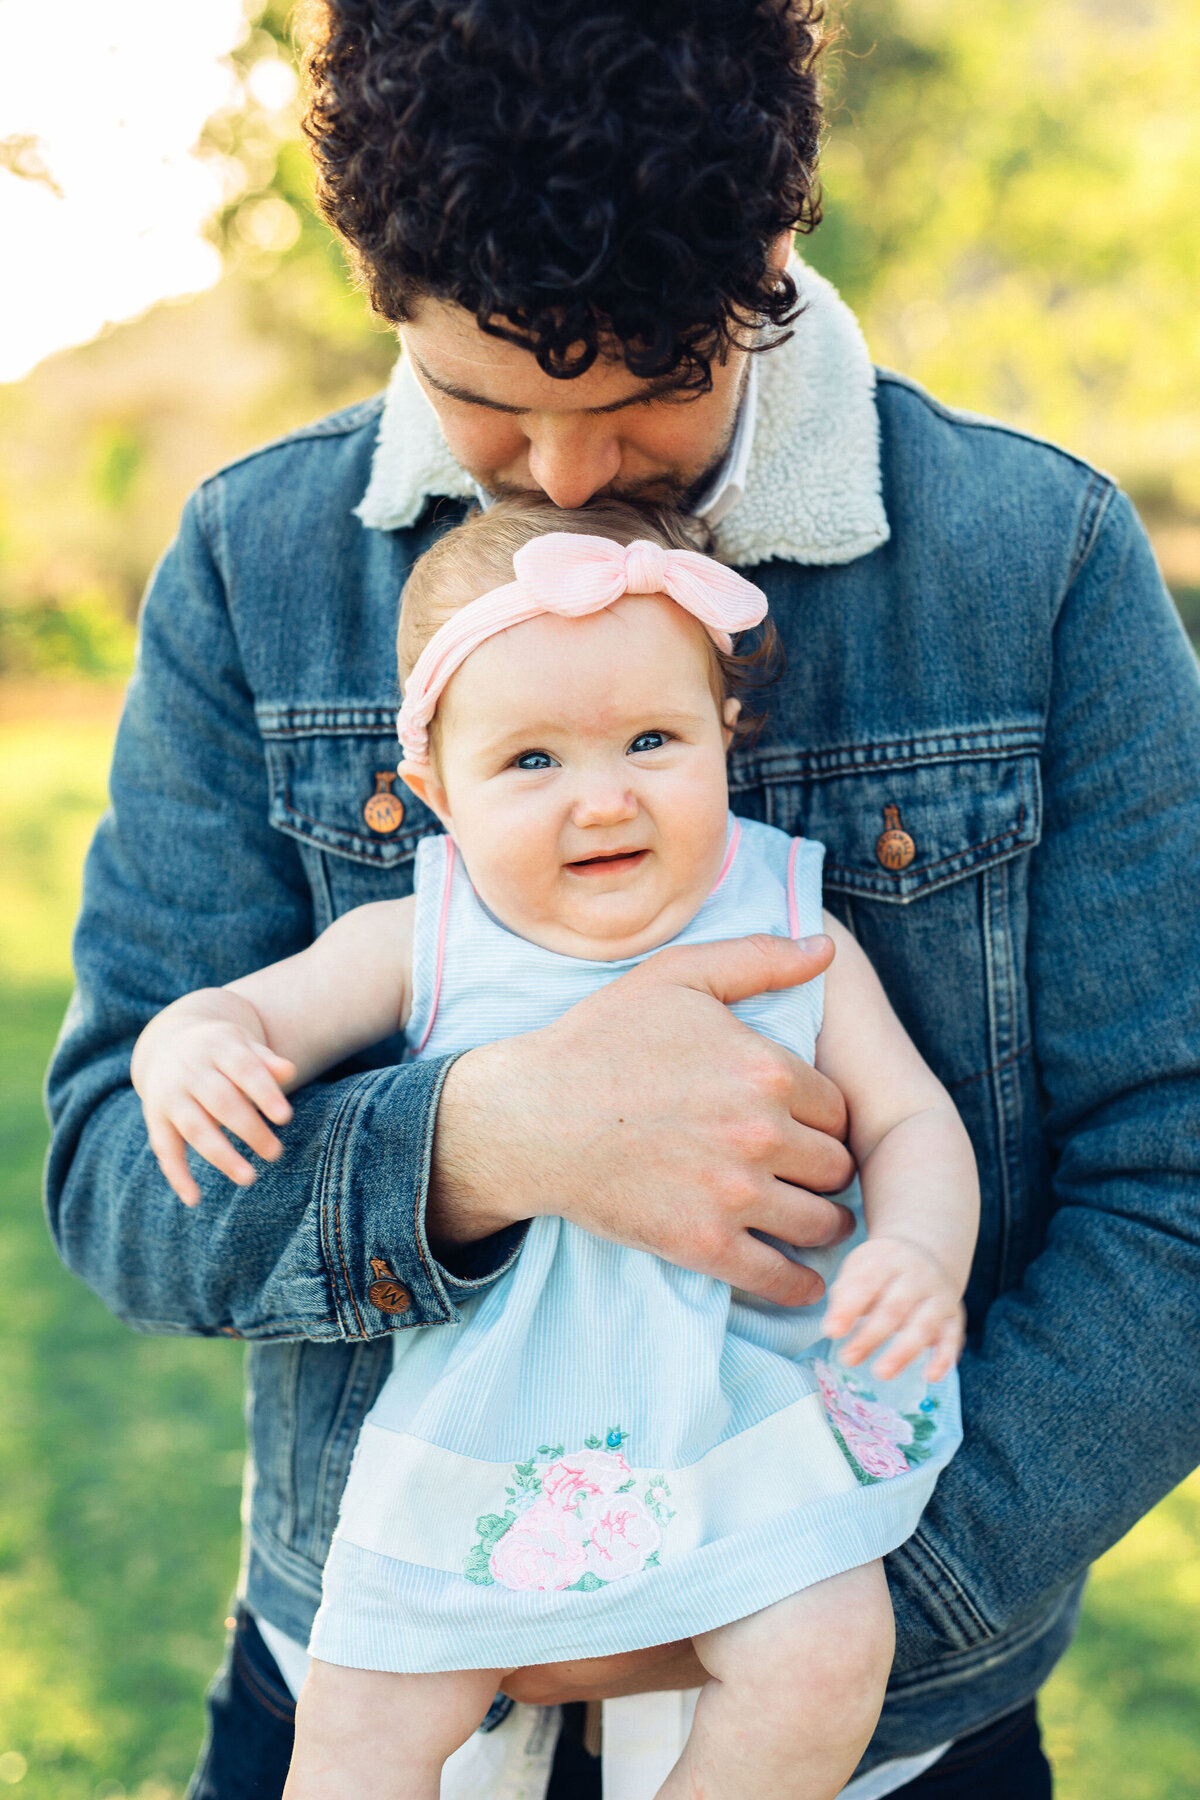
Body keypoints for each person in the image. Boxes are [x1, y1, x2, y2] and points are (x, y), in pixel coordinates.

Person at [43, 3, 1200, 1797]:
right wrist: (492, 1140)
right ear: (375, 283)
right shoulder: (254, 568)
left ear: (772, 259)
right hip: (367, 1665)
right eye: (487, 402)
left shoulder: (1032, 564)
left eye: (651, 386)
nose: (570, 476)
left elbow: (1180, 1172)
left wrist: (860, 1587)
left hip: (878, 1710)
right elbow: (123, 1177)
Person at [130, 497, 977, 1800]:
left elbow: (912, 1114)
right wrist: (191, 1044)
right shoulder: (430, 935)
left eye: (652, 738)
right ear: (437, 791)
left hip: (738, 1404)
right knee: (357, 1727)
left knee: (824, 1652)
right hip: (493, 1425)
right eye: (532, 761)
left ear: (724, 736)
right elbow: (248, 1011)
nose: (604, 798)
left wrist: (920, 1246)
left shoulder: (791, 915)